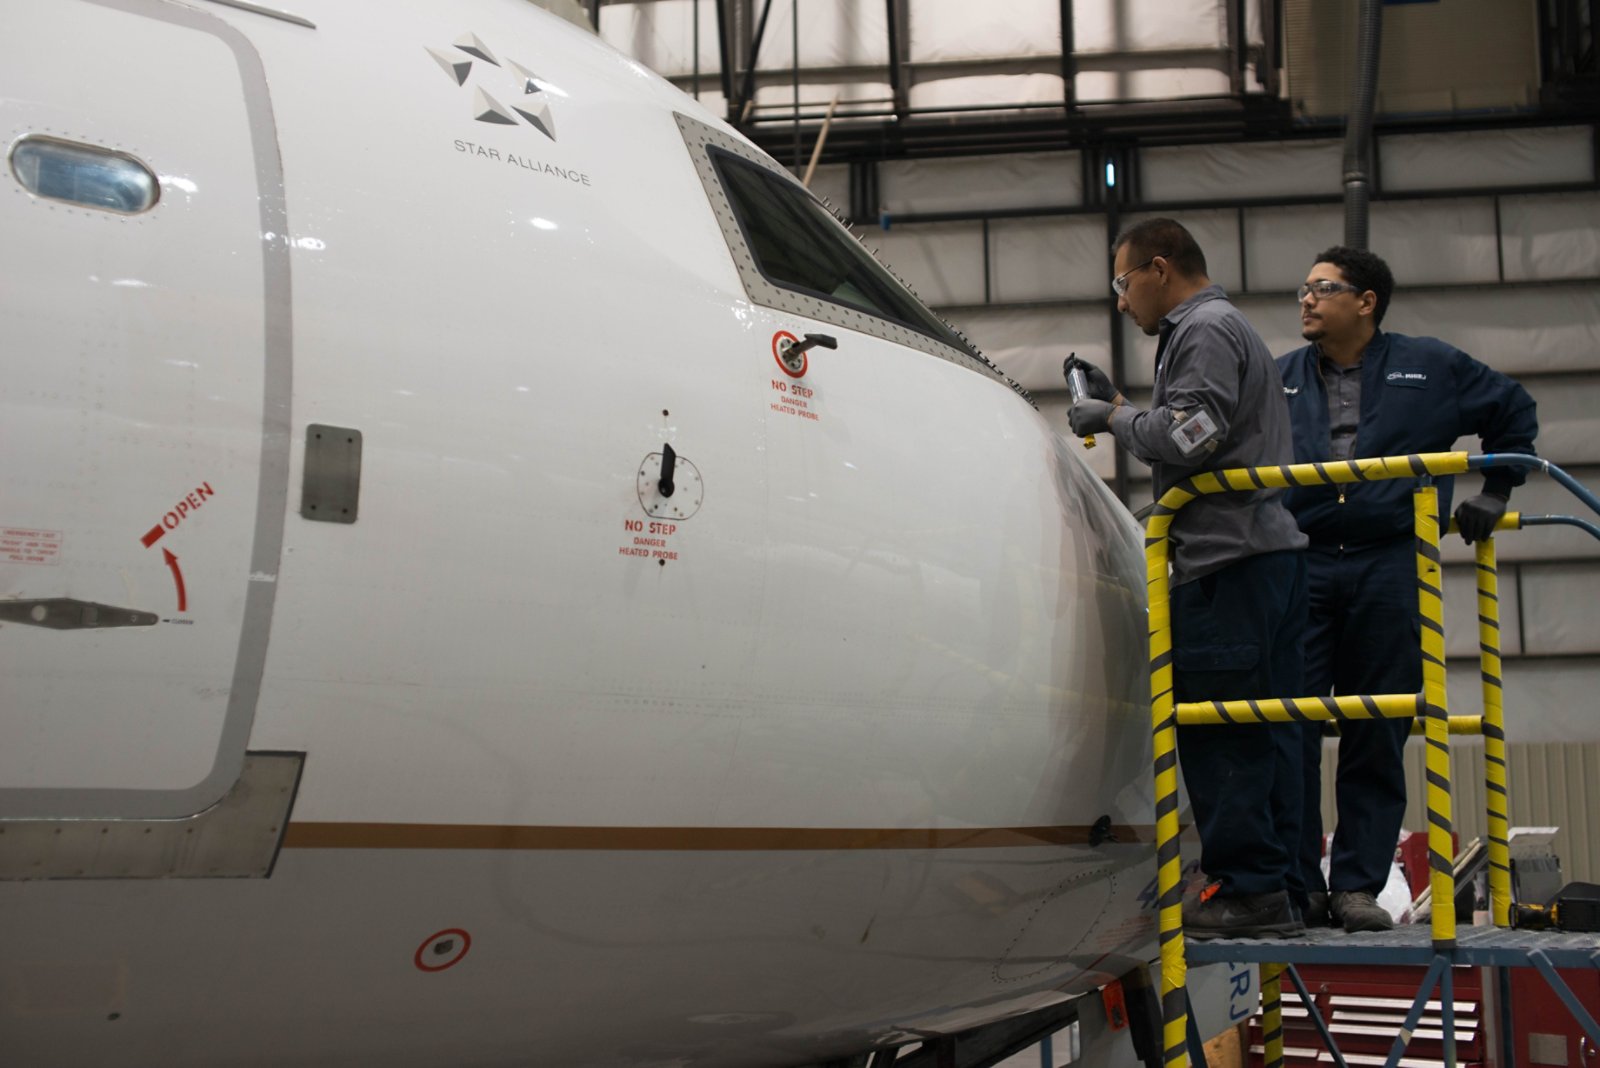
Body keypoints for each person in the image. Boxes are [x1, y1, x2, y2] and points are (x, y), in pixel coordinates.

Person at [1276, 246, 1538, 933]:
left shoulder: (1432, 366)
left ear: (1365, 302)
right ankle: (1297, 885)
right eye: (1303, 289)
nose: (1305, 299)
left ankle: (1356, 887)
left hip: (1391, 564)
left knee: (1379, 725)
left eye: (1322, 288)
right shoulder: (1279, 378)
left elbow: (1515, 412)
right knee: (1288, 728)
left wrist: (1495, 490)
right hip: (1300, 563)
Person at [1065, 218, 1310, 940]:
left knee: (1223, 735)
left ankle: (1252, 892)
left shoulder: (1202, 330)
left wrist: (1113, 416)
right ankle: (1281, 885)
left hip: (1227, 564)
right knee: (1268, 732)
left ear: (1159, 269)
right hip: (1265, 559)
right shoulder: (1220, 328)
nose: (1121, 302)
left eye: (1122, 282)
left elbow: (1188, 437)